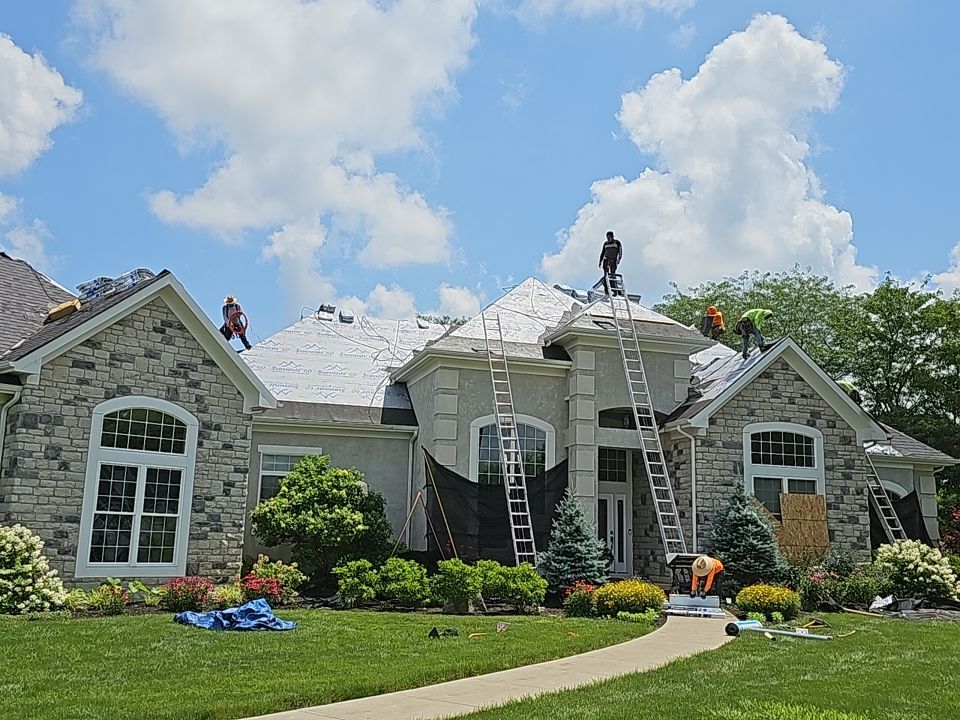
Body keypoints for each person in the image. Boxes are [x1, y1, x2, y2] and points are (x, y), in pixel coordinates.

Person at [598, 230, 623, 296]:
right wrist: (600, 261)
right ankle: (606, 290)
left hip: (613, 260)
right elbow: (602, 253)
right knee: (606, 275)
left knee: (612, 275)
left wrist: (618, 259)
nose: (608, 238)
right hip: (606, 260)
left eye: (609, 237)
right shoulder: (605, 243)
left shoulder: (617, 242)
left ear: (612, 236)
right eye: (607, 237)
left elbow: (620, 252)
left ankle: (615, 291)